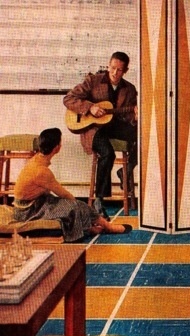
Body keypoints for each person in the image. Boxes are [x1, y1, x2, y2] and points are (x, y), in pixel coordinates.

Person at [13, 128, 132, 242]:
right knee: (74, 206)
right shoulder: (42, 171)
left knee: (76, 205)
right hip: (27, 211)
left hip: (36, 203)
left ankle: (97, 227)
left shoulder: (37, 159)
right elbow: (64, 194)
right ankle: (105, 227)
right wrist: (77, 205)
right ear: (57, 148)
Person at [63, 51, 138, 220]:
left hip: (113, 125)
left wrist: (135, 115)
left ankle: (126, 171)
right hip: (94, 129)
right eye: (112, 68)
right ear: (108, 65)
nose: (114, 73)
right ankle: (99, 200)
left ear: (125, 71)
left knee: (144, 135)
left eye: (119, 70)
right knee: (107, 153)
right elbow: (69, 98)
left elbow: (128, 116)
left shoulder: (129, 89)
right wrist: (90, 107)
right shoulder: (93, 81)